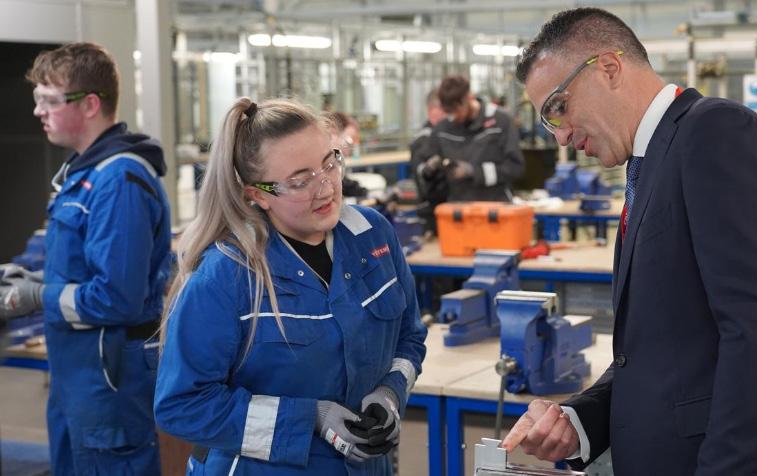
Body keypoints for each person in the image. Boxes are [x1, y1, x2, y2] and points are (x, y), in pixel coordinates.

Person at [502, 7, 757, 475]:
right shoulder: (649, 165)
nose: (562, 137)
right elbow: (661, 350)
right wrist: (581, 421)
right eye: (549, 122)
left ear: (608, 68)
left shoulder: (717, 133)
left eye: (559, 108)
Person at [153, 97, 427, 475]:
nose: (325, 187)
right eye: (300, 181)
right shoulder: (228, 276)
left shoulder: (372, 236)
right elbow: (182, 405)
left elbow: (409, 338)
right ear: (258, 194)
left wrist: (390, 392)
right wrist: (309, 418)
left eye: (329, 163)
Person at [0, 42, 171, 475]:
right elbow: (85, 271)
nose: (38, 111)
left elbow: (117, 298)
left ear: (90, 104)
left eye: (49, 100)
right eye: (37, 99)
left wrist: (37, 296)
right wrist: (34, 277)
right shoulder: (86, 174)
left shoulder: (120, 181)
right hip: (76, 379)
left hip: (107, 385)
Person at [427, 75, 524, 202]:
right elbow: (428, 174)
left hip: (495, 206)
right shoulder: (442, 129)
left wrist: (474, 172)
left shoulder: (501, 122)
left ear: (469, 98)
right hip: (457, 209)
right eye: (449, 112)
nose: (453, 117)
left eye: (457, 110)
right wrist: (429, 169)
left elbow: (515, 168)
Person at [410, 89, 448, 233]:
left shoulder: (443, 136)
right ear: (432, 111)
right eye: (445, 109)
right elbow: (425, 184)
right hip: (434, 216)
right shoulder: (424, 140)